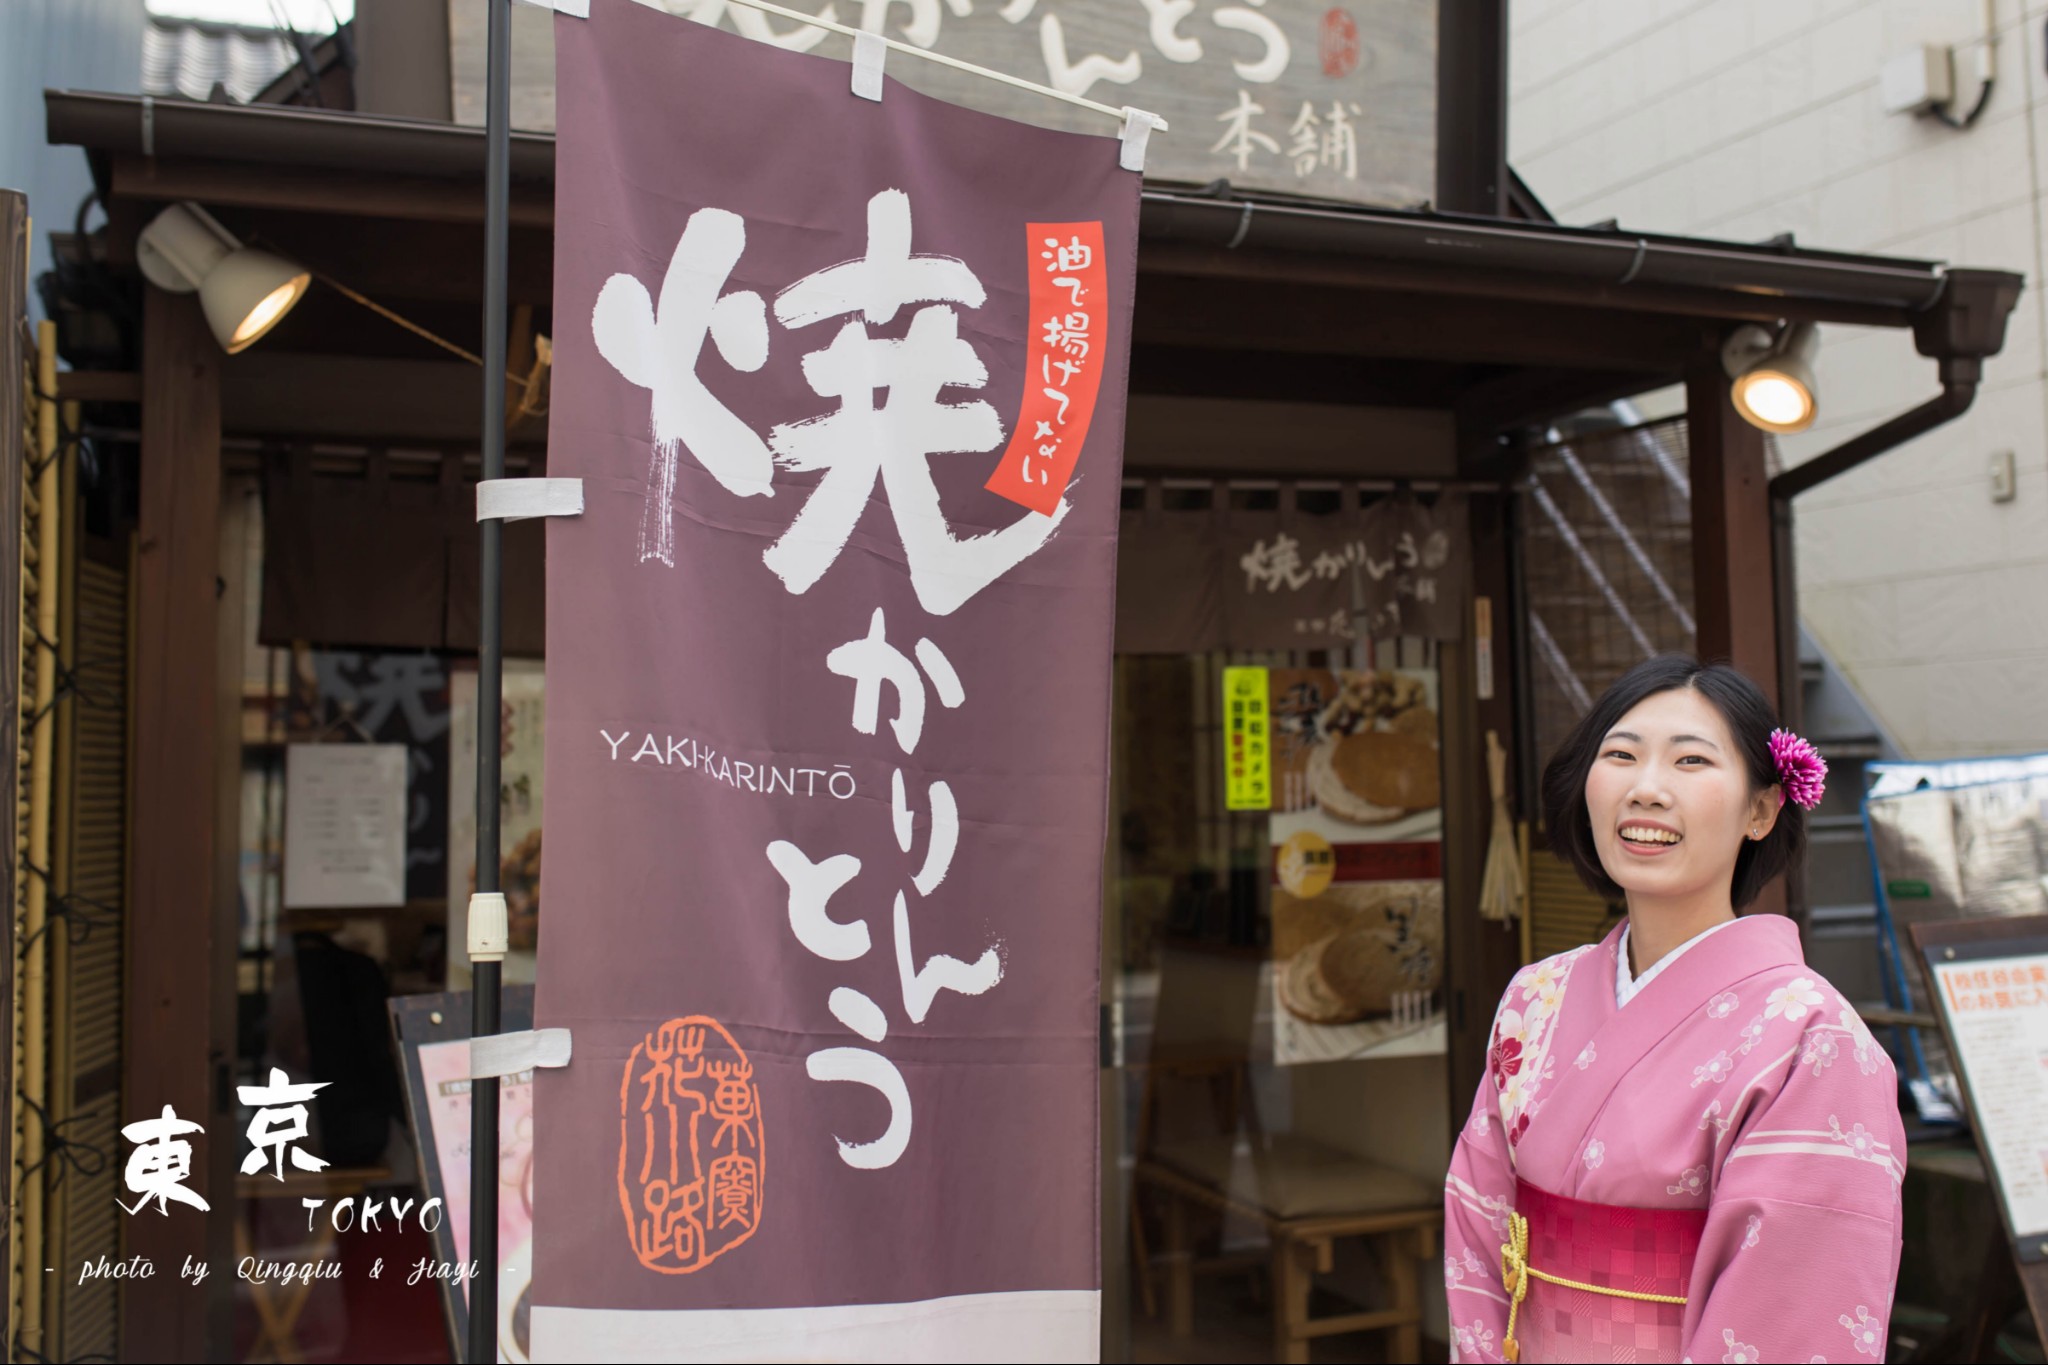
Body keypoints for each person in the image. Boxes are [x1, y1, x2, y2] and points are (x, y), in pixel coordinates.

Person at [1444, 655, 1903, 1364]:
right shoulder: (1535, 998)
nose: (1647, 787)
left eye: (1691, 761)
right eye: (1621, 754)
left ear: (1762, 808)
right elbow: (1479, 1226)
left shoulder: (1810, 1037)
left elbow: (1793, 1310)